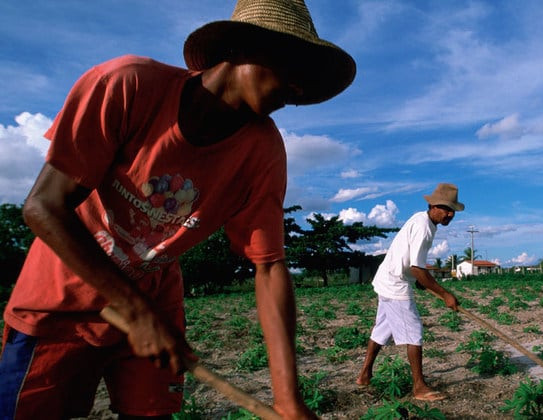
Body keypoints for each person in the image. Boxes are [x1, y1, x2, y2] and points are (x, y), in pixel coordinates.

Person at [0, 0, 355, 418]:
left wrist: (288, 401)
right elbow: (43, 207)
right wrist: (135, 311)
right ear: (241, 49)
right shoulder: (128, 85)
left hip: (155, 304)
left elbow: (269, 267)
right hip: (60, 301)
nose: (296, 89)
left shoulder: (262, 152)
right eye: (292, 70)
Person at [356, 183, 462, 402]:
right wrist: (445, 294)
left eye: (452, 210)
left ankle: (364, 375)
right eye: (445, 208)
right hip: (395, 284)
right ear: (432, 205)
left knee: (382, 330)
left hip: (389, 278)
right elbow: (416, 267)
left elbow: (412, 264)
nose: (449, 214)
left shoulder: (423, 221)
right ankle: (419, 387)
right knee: (414, 332)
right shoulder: (424, 227)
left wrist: (419, 280)